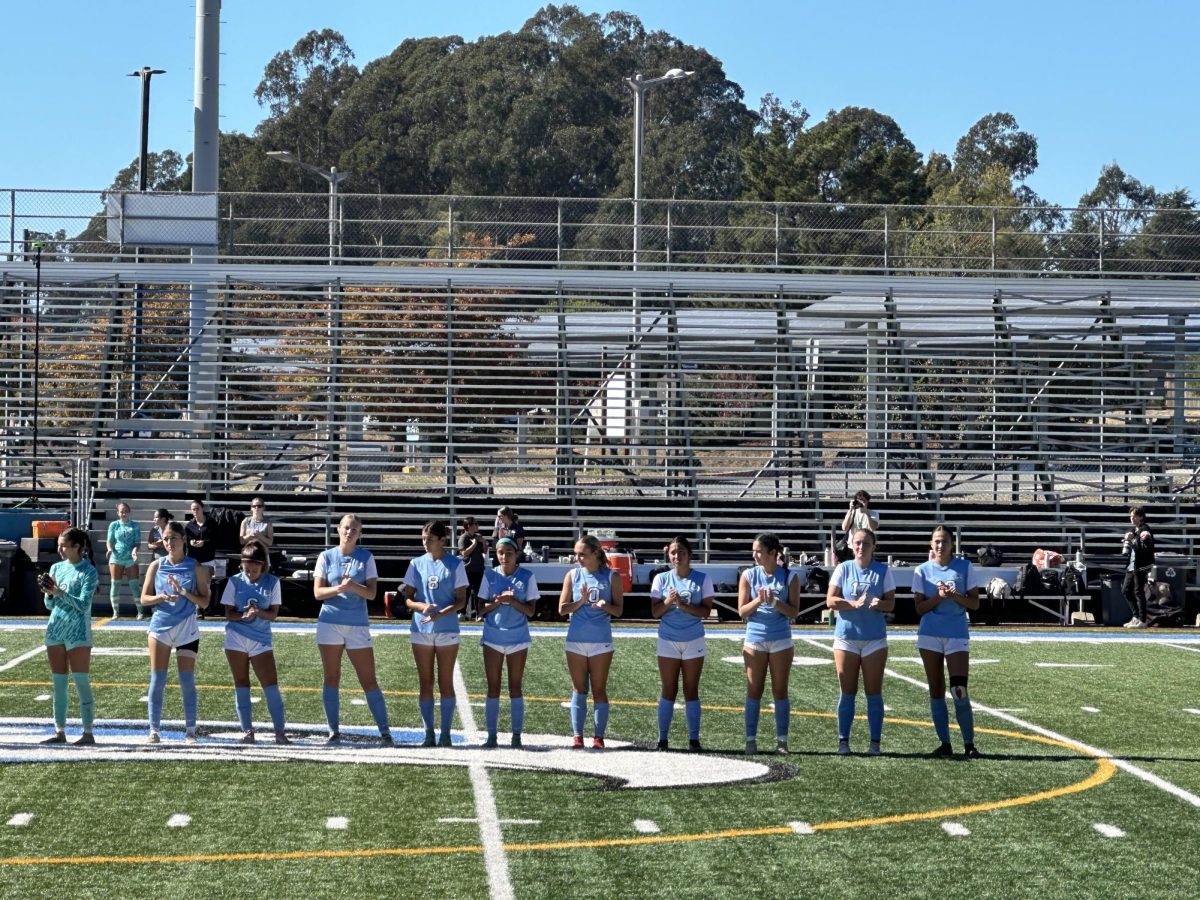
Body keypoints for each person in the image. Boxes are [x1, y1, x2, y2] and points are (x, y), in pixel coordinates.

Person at [314, 514, 393, 746]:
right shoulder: (326, 556)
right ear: (338, 529)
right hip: (329, 622)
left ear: (360, 533)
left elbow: (371, 594)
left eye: (354, 529)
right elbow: (318, 593)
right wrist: (339, 588)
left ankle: (385, 732)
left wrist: (352, 586)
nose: (349, 532)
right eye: (346, 528)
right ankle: (333, 731)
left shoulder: (366, 557)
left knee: (368, 680)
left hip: (357, 624)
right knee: (331, 677)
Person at [912, 525, 981, 759]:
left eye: (944, 541)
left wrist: (955, 596)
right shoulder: (922, 571)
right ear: (931, 544)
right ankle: (944, 743)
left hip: (956, 633)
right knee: (936, 690)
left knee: (959, 688)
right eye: (936, 541)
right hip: (930, 634)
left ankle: (969, 743)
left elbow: (975, 603)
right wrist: (938, 598)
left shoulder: (964, 567)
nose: (940, 545)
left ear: (952, 544)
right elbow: (919, 608)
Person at [139, 520, 212, 744]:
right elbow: (144, 599)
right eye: (166, 538)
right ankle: (154, 730)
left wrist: (183, 592)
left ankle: (190, 730)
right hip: (160, 626)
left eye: (173, 538)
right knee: (157, 679)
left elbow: (206, 602)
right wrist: (161, 597)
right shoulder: (157, 565)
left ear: (184, 540)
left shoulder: (195, 566)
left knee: (187, 680)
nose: (169, 542)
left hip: (187, 627)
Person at [827, 528, 895, 756]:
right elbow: (830, 600)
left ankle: (875, 743)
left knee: (873, 692)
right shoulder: (843, 569)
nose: (860, 547)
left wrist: (879, 604)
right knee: (847, 691)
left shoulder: (882, 571)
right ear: (851, 545)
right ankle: (843, 741)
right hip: (846, 638)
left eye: (865, 543)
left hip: (874, 639)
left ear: (874, 546)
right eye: (857, 543)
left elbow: (891, 604)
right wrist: (851, 604)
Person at [403, 520, 469, 747]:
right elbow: (408, 599)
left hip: (447, 629)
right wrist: (421, 607)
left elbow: (461, 601)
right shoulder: (416, 563)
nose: (425, 543)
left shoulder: (455, 564)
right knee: (425, 682)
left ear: (442, 540)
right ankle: (428, 732)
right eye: (423, 539)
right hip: (421, 629)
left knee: (446, 682)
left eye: (430, 539)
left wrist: (441, 613)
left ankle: (446, 733)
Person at [737, 532, 804, 755]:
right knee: (754, 690)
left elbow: (794, 612)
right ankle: (750, 740)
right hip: (754, 639)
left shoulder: (789, 577)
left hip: (781, 639)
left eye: (759, 551)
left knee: (780, 691)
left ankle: (782, 742)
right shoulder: (748, 575)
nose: (755, 555)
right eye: (754, 551)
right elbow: (742, 611)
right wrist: (758, 600)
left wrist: (774, 601)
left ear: (773, 553)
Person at [559, 534, 624, 749]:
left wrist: (604, 605)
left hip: (600, 641)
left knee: (599, 689)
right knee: (578, 689)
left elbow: (618, 610)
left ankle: (598, 737)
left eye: (582, 554)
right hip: (576, 640)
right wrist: (581, 601)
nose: (578, 558)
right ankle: (578, 736)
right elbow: (562, 609)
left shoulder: (612, 577)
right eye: (576, 554)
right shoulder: (572, 575)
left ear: (595, 553)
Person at [650, 536, 714, 752]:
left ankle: (694, 739)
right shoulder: (661, 579)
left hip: (693, 639)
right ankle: (662, 739)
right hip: (668, 639)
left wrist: (683, 605)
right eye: (674, 552)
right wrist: (669, 601)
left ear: (690, 555)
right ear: (669, 554)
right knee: (668, 689)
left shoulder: (702, 579)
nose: (677, 556)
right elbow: (655, 612)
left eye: (682, 552)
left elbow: (706, 612)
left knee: (691, 690)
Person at [221, 542, 288, 745]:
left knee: (270, 685)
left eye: (254, 569)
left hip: (260, 639)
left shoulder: (272, 582)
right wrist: (243, 615)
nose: (249, 573)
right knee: (241, 684)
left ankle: (280, 732)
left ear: (263, 566)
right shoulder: (234, 581)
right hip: (236, 637)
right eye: (246, 568)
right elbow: (228, 614)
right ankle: (247, 731)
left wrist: (258, 612)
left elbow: (273, 614)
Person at [39, 527, 99, 745]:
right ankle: (59, 731)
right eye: (59, 545)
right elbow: (50, 605)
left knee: (81, 681)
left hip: (78, 632)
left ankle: (88, 732)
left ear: (77, 547)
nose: (60, 549)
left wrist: (58, 592)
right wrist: (48, 594)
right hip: (56, 628)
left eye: (64, 545)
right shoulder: (56, 567)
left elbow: (83, 605)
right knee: (59, 683)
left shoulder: (88, 571)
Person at [477, 537, 539, 748]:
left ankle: (516, 736)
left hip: (518, 639)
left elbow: (531, 611)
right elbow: (480, 609)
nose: (504, 557)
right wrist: (497, 602)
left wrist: (512, 601)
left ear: (517, 554)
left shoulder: (527, 577)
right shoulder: (490, 574)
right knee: (493, 687)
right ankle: (491, 735)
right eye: (500, 553)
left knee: (515, 687)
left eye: (509, 553)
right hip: (493, 637)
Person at [105, 502, 141, 619]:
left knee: (134, 586)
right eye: (121, 511)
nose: (123, 513)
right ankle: (115, 612)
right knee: (115, 585)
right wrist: (110, 549)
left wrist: (134, 551)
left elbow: (137, 542)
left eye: (125, 511)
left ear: (129, 512)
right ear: (118, 513)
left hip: (130, 559)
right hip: (116, 558)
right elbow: (109, 541)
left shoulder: (135, 525)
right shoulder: (114, 525)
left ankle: (140, 611)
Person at [1121, 506, 1155, 629]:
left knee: (1138, 592)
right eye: (1131, 516)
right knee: (1126, 590)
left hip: (1141, 565)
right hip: (1132, 564)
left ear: (1141, 517)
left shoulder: (1145, 529)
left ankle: (1142, 620)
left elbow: (1145, 548)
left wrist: (1133, 541)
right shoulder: (1134, 530)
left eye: (1135, 516)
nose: (1132, 518)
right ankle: (1136, 617)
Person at [458, 516, 488, 620]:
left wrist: (483, 541)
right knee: (465, 592)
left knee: (478, 593)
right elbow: (464, 553)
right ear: (469, 526)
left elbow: (485, 551)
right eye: (475, 524)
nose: (477, 525)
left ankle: (479, 614)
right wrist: (474, 544)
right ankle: (461, 613)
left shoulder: (478, 536)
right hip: (467, 569)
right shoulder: (464, 537)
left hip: (478, 568)